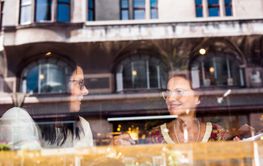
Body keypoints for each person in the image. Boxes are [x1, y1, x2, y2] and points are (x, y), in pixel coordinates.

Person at [112, 75, 237, 145]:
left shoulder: (217, 133)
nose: (170, 98)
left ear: (197, 98)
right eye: (168, 93)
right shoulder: (155, 136)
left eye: (179, 92)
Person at [39, 65, 94, 148]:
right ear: (60, 89)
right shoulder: (30, 124)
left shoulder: (83, 125)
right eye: (80, 83)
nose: (86, 91)